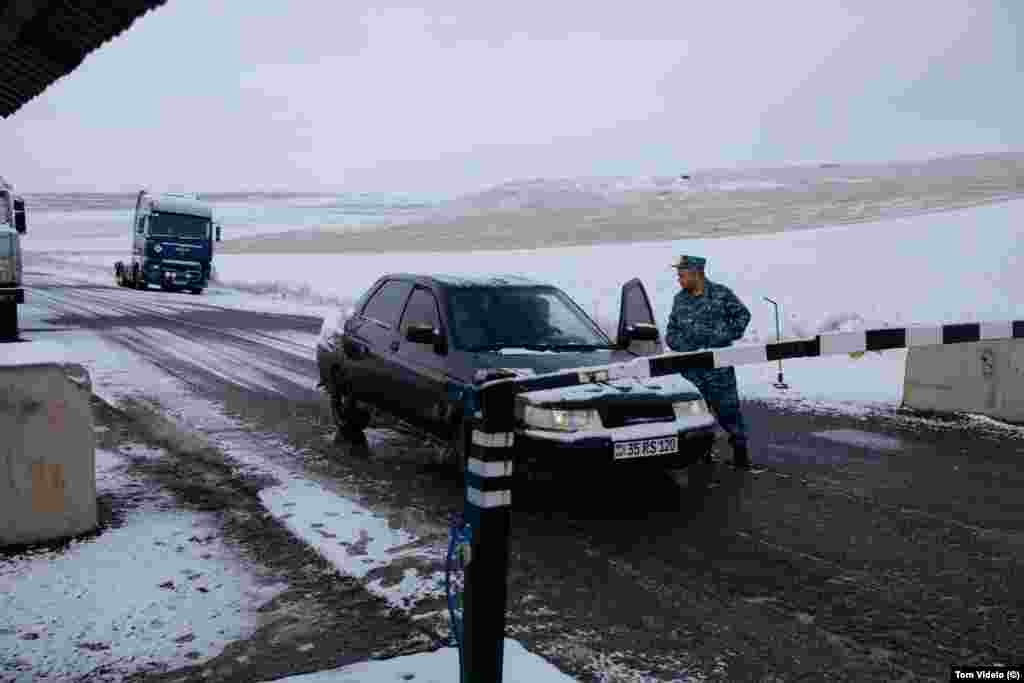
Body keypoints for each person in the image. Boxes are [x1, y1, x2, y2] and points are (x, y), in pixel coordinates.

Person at [666, 255, 754, 469]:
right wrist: (683, 346)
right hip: (691, 370)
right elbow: (671, 332)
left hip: (718, 369)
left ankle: (740, 454)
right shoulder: (680, 300)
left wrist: (722, 336)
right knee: (694, 414)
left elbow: (743, 316)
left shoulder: (721, 294)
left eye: (682, 275)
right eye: (678, 275)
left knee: (728, 411)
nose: (679, 279)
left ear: (696, 273)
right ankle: (700, 454)